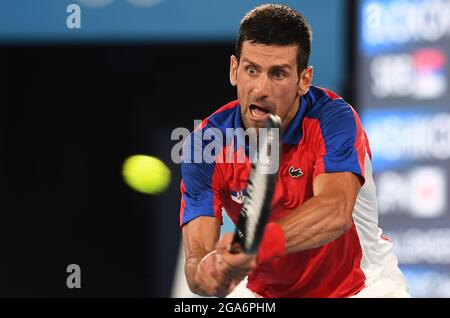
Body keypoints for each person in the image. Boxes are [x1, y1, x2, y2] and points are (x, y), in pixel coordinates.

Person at [179, 3, 410, 298]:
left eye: (278, 74)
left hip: (362, 287)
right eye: (252, 70)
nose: (261, 88)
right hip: (265, 294)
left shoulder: (333, 119)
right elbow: (196, 260)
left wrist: (255, 245)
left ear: (304, 80)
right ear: (234, 70)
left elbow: (335, 211)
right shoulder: (205, 145)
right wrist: (207, 274)